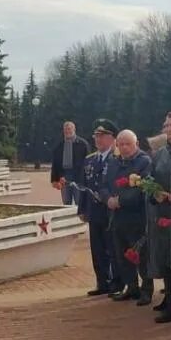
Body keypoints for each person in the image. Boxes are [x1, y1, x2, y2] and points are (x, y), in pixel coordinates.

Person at [104, 130, 154, 304]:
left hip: (137, 216)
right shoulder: (113, 162)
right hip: (117, 217)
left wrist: (121, 201)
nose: (124, 148)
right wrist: (108, 199)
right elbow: (104, 185)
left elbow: (143, 189)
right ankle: (131, 287)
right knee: (122, 254)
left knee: (141, 254)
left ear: (136, 144)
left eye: (128, 144)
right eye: (121, 144)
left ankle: (146, 289)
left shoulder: (144, 162)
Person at [148, 112, 171, 322]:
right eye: (166, 125)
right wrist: (154, 192)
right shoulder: (161, 154)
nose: (168, 129)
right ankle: (170, 299)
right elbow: (152, 178)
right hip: (163, 213)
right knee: (166, 258)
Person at [77, 120, 120, 296]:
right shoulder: (90, 160)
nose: (98, 139)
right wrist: (82, 209)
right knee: (97, 248)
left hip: (110, 211)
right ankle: (102, 282)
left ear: (112, 138)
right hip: (94, 211)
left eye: (102, 136)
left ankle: (116, 282)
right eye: (96, 136)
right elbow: (83, 187)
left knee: (113, 248)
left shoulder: (117, 159)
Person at [50, 121, 90, 205]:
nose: (67, 131)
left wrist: (87, 180)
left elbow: (88, 163)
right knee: (66, 204)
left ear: (74, 129)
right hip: (64, 178)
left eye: (69, 129)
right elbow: (55, 164)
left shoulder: (83, 144)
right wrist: (54, 180)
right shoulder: (59, 145)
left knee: (80, 204)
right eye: (65, 129)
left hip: (79, 178)